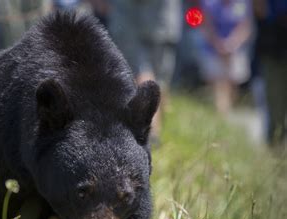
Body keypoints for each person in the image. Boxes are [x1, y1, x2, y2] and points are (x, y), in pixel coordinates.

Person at [108, 0, 183, 143]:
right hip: (162, 22)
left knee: (143, 74)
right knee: (154, 77)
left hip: (133, 21)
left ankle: (152, 132)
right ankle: (153, 132)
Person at [198, 0, 253, 115]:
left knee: (232, 86)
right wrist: (218, 44)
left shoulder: (241, 3)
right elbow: (206, 25)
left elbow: (245, 26)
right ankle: (222, 115)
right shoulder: (209, 3)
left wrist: (232, 44)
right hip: (213, 51)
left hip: (235, 51)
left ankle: (226, 113)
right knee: (219, 85)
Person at [254, 0, 287, 145]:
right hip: (274, 47)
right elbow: (259, 9)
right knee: (275, 105)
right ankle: (275, 147)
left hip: (274, 45)